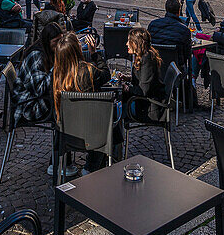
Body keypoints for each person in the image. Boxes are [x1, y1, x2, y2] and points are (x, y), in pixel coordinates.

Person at [52, 31, 112, 172]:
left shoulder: (56, 74)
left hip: (66, 130)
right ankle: (91, 167)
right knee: (108, 120)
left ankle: (64, 165)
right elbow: (106, 74)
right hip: (90, 132)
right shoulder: (89, 71)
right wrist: (94, 53)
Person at [11, 21, 64, 125]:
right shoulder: (36, 56)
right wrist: (57, 66)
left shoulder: (48, 52)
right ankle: (63, 136)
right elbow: (40, 89)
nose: (59, 45)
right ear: (47, 41)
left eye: (61, 41)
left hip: (37, 97)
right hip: (29, 104)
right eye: (56, 41)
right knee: (65, 107)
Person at [125, 28, 165, 120]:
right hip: (144, 103)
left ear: (136, 43)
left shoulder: (147, 59)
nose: (127, 44)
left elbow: (143, 90)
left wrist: (127, 88)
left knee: (116, 108)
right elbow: (144, 79)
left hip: (148, 108)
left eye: (129, 41)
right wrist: (128, 79)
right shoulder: (144, 55)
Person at [148, 0, 192, 66]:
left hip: (155, 65)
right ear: (179, 10)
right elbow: (187, 54)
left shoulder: (153, 25)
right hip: (176, 67)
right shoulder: (183, 30)